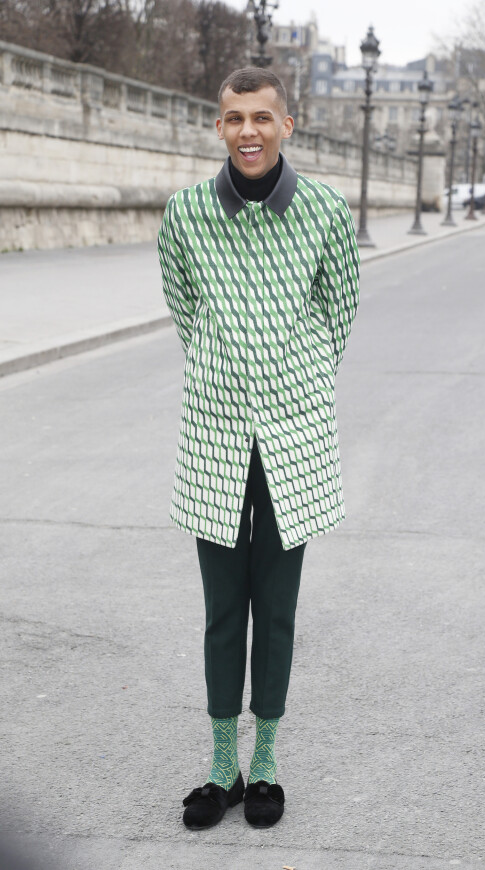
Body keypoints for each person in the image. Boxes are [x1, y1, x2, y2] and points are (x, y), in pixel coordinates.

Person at [158, 67, 359, 830]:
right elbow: (184, 304)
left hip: (294, 433)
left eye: (262, 118)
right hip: (213, 432)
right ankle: (220, 765)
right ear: (218, 127)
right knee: (221, 609)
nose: (248, 131)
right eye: (234, 118)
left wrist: (293, 383)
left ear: (288, 125)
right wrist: (224, 376)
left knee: (276, 606)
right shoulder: (184, 215)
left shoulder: (326, 212)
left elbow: (338, 311)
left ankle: (266, 759)